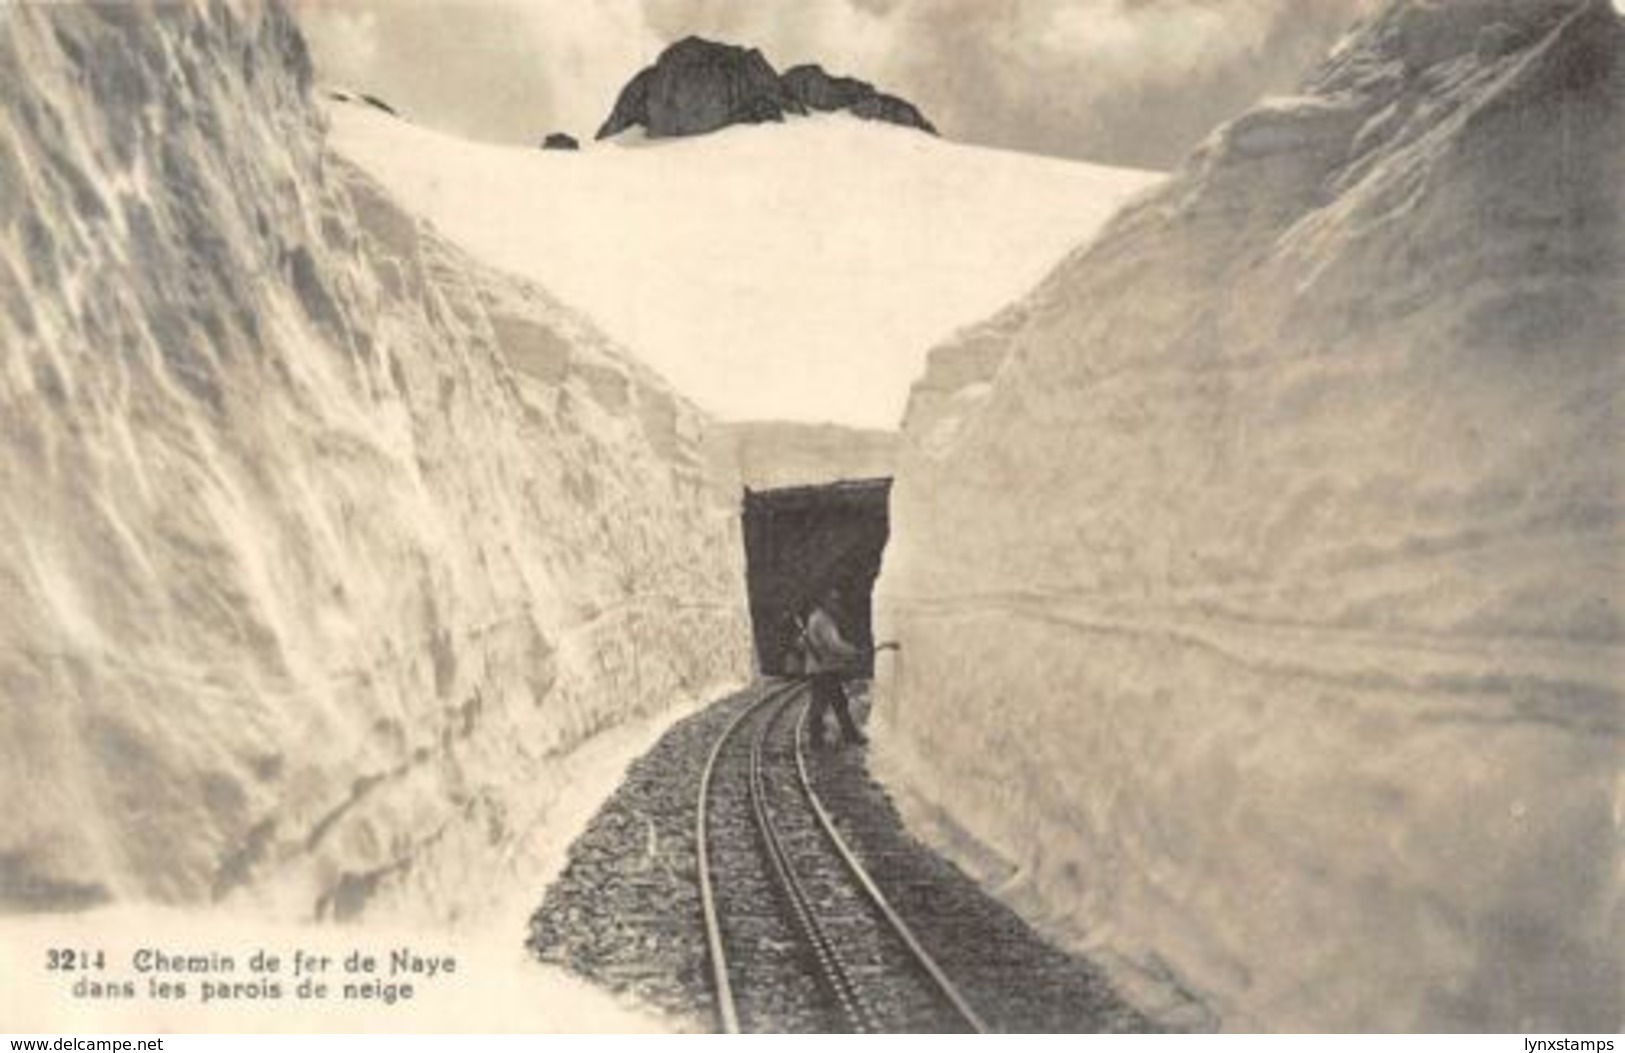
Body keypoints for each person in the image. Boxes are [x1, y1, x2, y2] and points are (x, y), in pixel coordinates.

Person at [802, 586, 867, 748]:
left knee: (836, 703)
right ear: (825, 601)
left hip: (821, 669)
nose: (836, 604)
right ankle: (818, 741)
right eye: (833, 600)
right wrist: (852, 651)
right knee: (826, 704)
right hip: (825, 670)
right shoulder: (823, 620)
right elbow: (833, 645)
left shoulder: (815, 617)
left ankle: (844, 736)